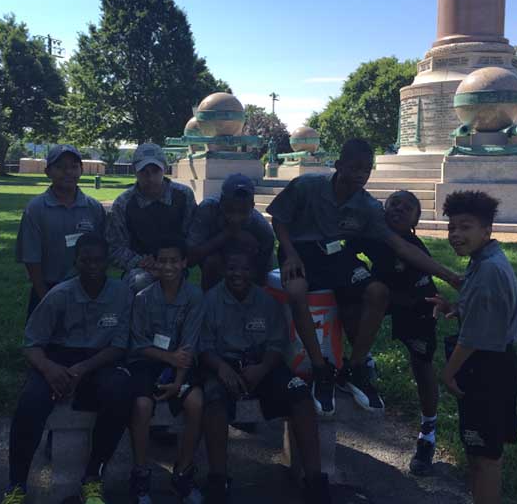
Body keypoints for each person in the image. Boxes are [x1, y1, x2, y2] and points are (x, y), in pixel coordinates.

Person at [266, 138, 461, 417]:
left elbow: (400, 245)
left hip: (335, 255)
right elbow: (279, 219)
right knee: (297, 291)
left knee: (377, 292)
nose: (361, 175)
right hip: (299, 250)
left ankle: (354, 367)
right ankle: (320, 368)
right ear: (338, 166)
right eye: (355, 168)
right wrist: (290, 253)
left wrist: (450, 275)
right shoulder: (308, 185)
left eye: (366, 169)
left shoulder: (367, 206)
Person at [1, 234, 133, 504]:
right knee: (31, 402)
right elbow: (31, 345)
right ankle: (16, 486)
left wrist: (83, 368)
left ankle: (93, 477)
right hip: (58, 357)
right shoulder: (59, 294)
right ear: (76, 262)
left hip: (100, 359)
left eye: (98, 260)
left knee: (120, 392)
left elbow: (119, 346)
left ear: (107, 262)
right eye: (86, 260)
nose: (92, 266)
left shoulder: (122, 294)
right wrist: (49, 369)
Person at [199, 247, 331, 504]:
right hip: (224, 367)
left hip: (263, 367)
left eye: (245, 269)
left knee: (300, 394)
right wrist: (222, 369)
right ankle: (217, 478)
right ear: (223, 270)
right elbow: (203, 346)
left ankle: (315, 479)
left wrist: (261, 369)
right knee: (213, 401)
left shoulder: (267, 301)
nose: (238, 274)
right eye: (232, 268)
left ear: (255, 272)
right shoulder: (210, 301)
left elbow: (276, 344)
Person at [428, 191, 517, 504]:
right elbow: (485, 311)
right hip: (491, 364)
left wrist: (448, 373)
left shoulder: (489, 270)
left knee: (485, 458)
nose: (455, 235)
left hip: (486, 369)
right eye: (451, 228)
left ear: (487, 230)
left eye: (465, 227)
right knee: (481, 449)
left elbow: (475, 338)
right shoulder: (484, 261)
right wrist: (455, 307)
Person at [347, 190, 439, 475]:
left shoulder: (415, 249)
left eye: (408, 207)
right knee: (347, 301)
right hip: (386, 294)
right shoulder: (375, 234)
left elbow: (416, 292)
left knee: (422, 366)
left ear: (415, 221)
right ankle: (362, 362)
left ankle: (428, 430)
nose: (399, 208)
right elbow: (347, 248)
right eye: (394, 203)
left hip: (417, 304)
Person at [128, 239, 205, 504]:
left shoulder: (194, 297)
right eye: (163, 261)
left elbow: (190, 344)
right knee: (141, 405)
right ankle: (140, 474)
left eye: (174, 260)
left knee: (195, 402)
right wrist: (169, 357)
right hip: (149, 362)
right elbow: (138, 344)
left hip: (181, 366)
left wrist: (178, 382)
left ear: (184, 263)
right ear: (154, 265)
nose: (168, 266)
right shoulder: (143, 297)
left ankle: (182, 473)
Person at [16, 144, 106, 317]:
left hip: (86, 287)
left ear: (81, 170)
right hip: (48, 286)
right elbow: (31, 258)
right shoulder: (36, 209)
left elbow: (103, 251)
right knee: (40, 341)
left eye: (73, 166)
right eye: (60, 167)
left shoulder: (93, 208)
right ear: (47, 172)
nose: (68, 172)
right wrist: (44, 297)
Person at [106, 143, 197, 293]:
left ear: (164, 169)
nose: (150, 177)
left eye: (155, 171)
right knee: (141, 282)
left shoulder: (183, 196)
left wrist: (174, 261)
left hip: (175, 264)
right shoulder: (124, 203)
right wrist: (139, 261)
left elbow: (192, 235)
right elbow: (114, 246)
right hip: (141, 267)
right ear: (135, 171)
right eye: (144, 172)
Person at [187, 173, 275, 291]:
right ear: (221, 202)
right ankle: (210, 302)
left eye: (242, 211)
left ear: (252, 206)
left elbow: (263, 274)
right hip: (216, 264)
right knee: (211, 261)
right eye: (230, 209)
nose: (236, 217)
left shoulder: (263, 230)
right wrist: (228, 234)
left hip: (247, 270)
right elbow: (190, 259)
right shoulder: (207, 210)